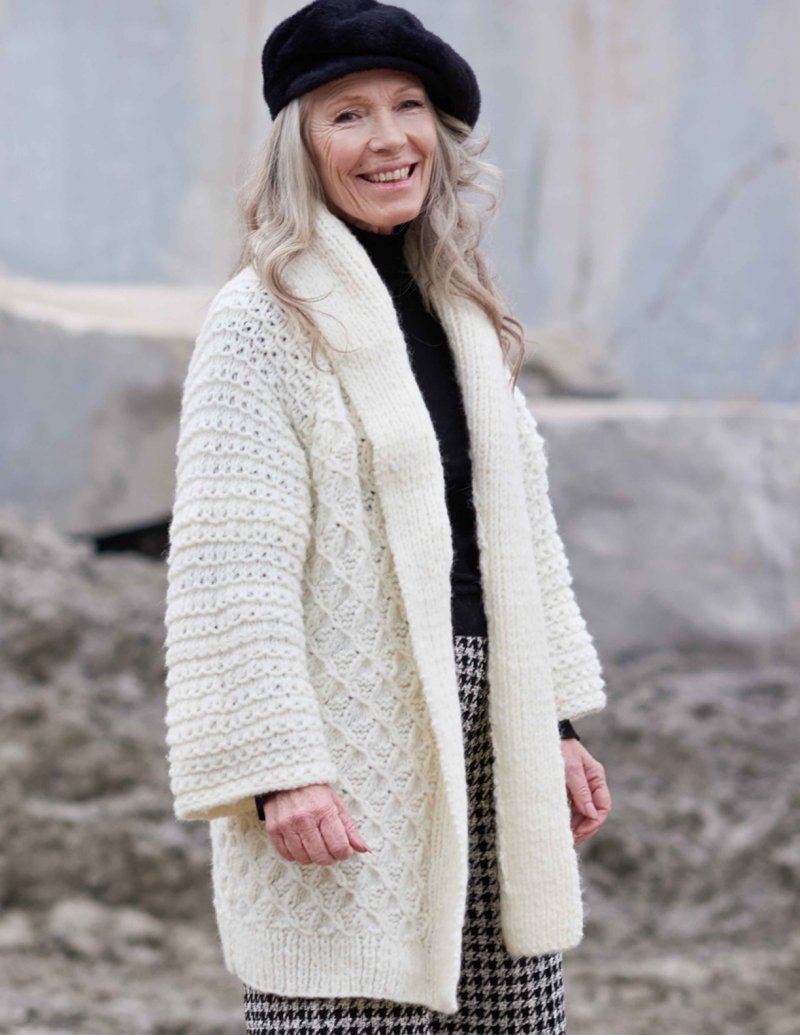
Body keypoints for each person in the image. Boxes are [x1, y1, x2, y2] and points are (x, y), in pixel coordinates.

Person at [162, 1, 612, 1032]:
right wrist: (280, 770)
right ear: (299, 145)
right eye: (348, 115)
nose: (388, 139)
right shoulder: (261, 319)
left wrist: (551, 722)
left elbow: (518, 540)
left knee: (506, 1011)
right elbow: (232, 568)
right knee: (347, 1004)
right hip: (347, 742)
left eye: (407, 107)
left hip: (492, 730)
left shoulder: (462, 310)